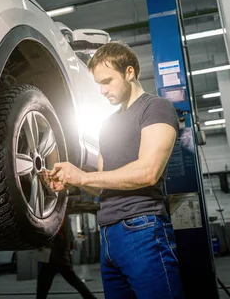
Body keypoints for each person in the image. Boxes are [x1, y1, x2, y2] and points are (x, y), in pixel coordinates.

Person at [47, 41, 183, 299]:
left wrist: (84, 175)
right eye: (98, 83)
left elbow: (148, 172)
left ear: (129, 72)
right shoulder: (107, 124)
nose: (102, 90)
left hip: (142, 230)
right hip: (108, 234)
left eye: (107, 81)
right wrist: (72, 178)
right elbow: (100, 185)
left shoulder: (155, 108)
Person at [36, 214, 97, 299]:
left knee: (67, 277)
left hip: (56, 249)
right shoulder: (59, 212)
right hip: (55, 249)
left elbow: (55, 229)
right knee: (45, 281)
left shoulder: (57, 212)